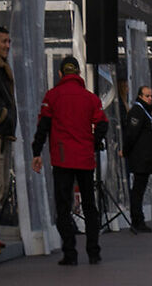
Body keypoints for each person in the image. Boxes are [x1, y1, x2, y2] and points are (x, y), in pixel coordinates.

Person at [31, 54, 107, 265]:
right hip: (84, 157)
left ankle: (70, 252)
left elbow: (43, 127)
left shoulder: (52, 96)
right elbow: (102, 124)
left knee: (63, 207)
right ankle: (93, 252)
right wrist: (93, 142)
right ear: (79, 74)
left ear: (60, 73)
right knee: (90, 206)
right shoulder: (91, 98)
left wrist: (36, 152)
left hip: (62, 158)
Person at [121, 83, 152, 233]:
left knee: (140, 189)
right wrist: (125, 151)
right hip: (139, 157)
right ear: (140, 96)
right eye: (147, 96)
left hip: (145, 157)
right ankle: (137, 220)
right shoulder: (137, 111)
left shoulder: (145, 110)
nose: (150, 98)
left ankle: (138, 218)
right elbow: (131, 134)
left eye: (151, 96)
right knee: (137, 189)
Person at [0, 23, 13, 252]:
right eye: (3, 42)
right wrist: (1, 116)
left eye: (9, 42)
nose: (7, 46)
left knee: (1, 186)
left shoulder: (2, 67)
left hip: (3, 133)